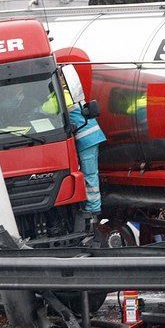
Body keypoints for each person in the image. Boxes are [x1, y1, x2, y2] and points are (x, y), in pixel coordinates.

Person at [59, 66, 107, 221]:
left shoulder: (63, 96)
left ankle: (93, 210)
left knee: (90, 174)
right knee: (88, 173)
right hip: (90, 138)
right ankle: (90, 206)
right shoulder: (69, 94)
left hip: (87, 140)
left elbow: (47, 108)